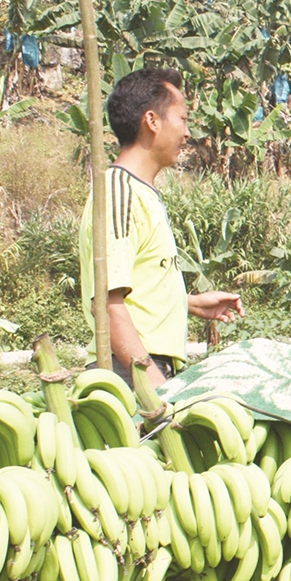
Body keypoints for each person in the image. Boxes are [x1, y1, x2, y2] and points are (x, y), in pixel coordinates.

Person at [78, 67, 244, 388]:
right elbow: (107, 305)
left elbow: (134, 286)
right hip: (130, 372)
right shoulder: (119, 192)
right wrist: (156, 387)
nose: (187, 133)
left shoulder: (141, 192)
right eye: (182, 119)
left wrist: (189, 302)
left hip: (143, 367)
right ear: (152, 121)